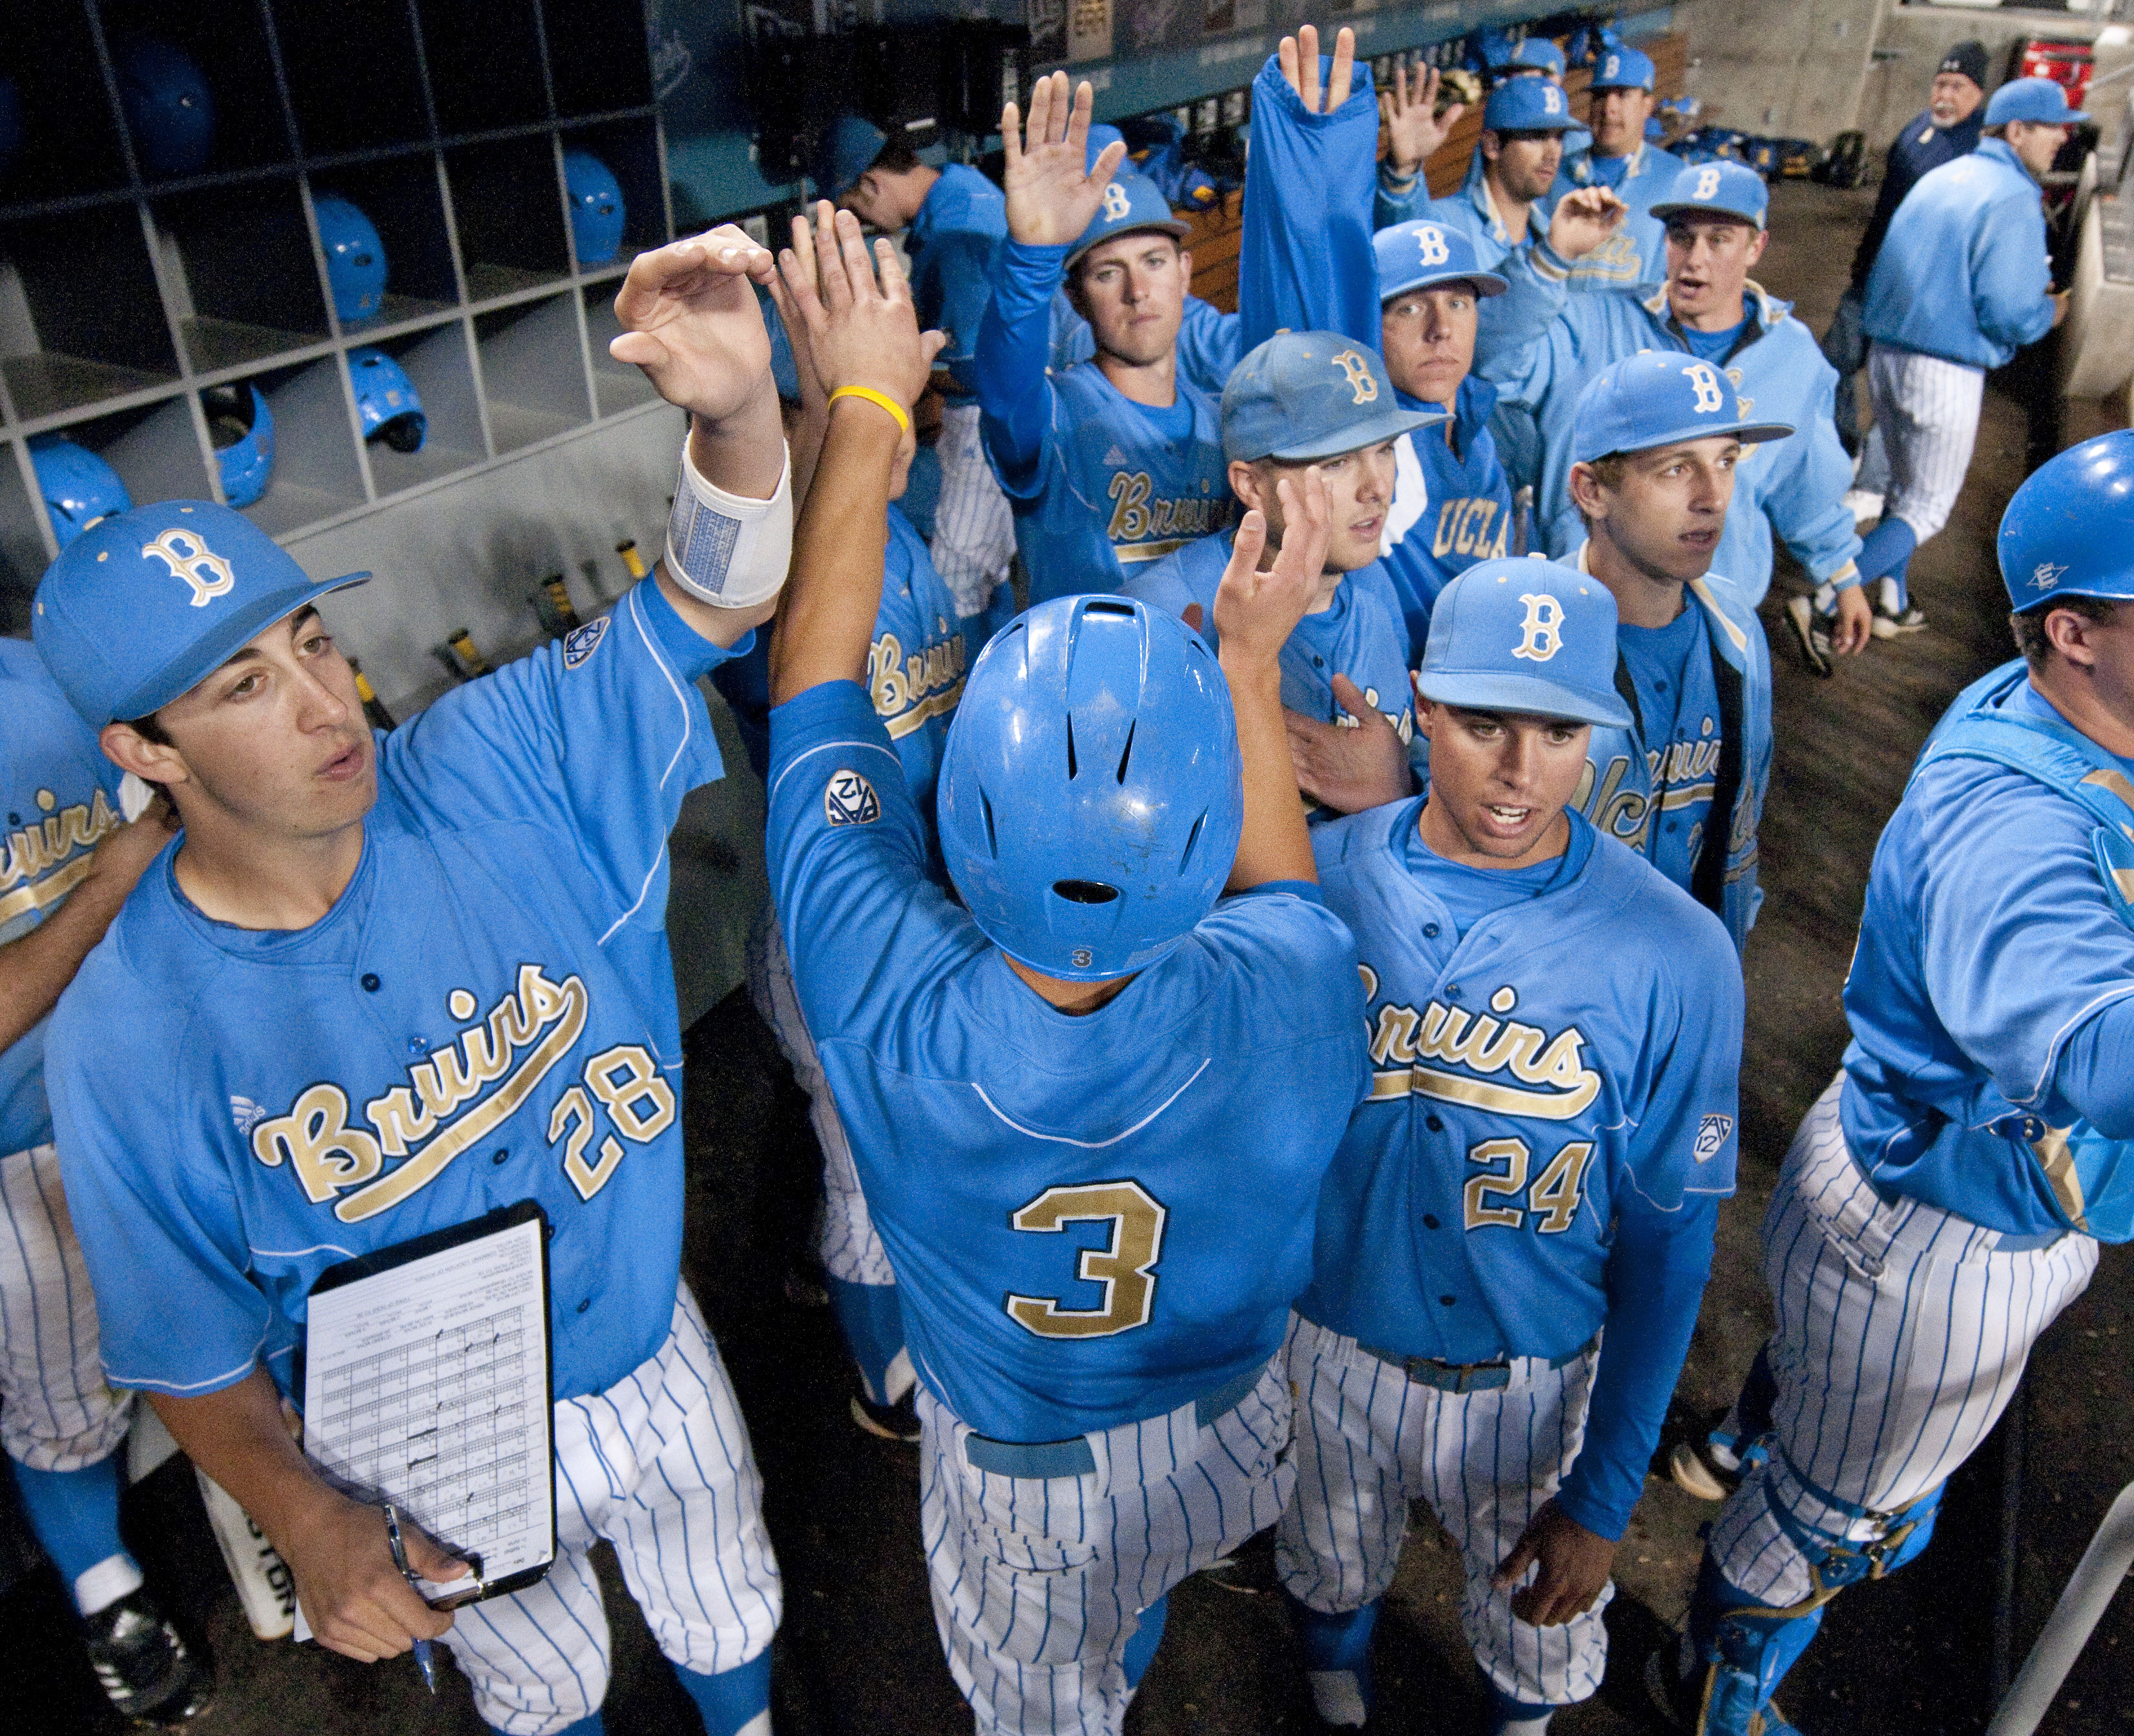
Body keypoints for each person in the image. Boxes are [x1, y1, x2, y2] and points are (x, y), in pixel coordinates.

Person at [37, 224, 798, 1736]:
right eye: (244, 685)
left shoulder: (485, 759)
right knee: (542, 1685)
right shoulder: (127, 1034)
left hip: (648, 1335)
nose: (330, 704)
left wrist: (734, 418)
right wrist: (308, 1519)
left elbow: (715, 600)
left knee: (728, 1590)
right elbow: (188, 1352)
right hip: (423, 1433)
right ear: (144, 753)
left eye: (314, 640)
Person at [763, 198, 1365, 1736]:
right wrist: (1244, 657)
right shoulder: (1290, 986)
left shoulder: (875, 977)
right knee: (1152, 1578)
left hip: (1025, 1472)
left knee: (1047, 1696)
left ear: (959, 821)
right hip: (1234, 1432)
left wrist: (865, 405)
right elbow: (1280, 871)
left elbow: (818, 686)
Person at [1651, 431, 2134, 1736]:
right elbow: (2102, 1059)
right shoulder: (2018, 830)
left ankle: (1746, 1443)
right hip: (1944, 1242)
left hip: (1895, 1178)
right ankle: (1711, 1682)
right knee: (1845, 1521)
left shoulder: (2059, 704)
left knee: (1816, 1401)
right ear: (2073, 633)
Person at [1278, 556, 1743, 1736]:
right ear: (1419, 702)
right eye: (1482, 719)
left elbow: (1670, 1246)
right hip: (1326, 1348)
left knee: (1537, 1628)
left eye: (1558, 727)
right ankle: (1334, 1696)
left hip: (1532, 1389)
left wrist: (1600, 1495)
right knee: (1324, 1569)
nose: (1519, 767)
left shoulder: (1676, 952)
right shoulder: (1309, 884)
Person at [717, 251, 977, 1443]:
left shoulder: (906, 548)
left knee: (900, 1164)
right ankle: (887, 1390)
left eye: (901, 408)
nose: (895, 430)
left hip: (916, 915)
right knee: (865, 1172)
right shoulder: (764, 582)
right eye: (850, 405)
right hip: (831, 937)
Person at [0, 648, 208, 1727]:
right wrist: (112, 880)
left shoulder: (43, 672)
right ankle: (104, 1587)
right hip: (18, 1146)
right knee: (67, 1399)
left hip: (156, 1067)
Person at [1479, 158, 1872, 652]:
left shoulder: (1792, 356)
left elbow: (1805, 482)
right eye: (1681, 236)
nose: (1695, 258)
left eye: (1719, 239)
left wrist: (1843, 574)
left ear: (1756, 247)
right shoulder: (1596, 323)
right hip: (1582, 611)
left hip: (1710, 621)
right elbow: (1491, 358)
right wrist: (1552, 258)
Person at [1121, 329, 1431, 789]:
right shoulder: (1155, 620)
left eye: (1384, 450)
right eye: (1336, 463)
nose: (1377, 489)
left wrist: (1399, 784)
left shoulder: (1377, 586)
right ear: (1250, 485)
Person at [975, 74, 1231, 603]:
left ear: (1185, 273)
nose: (1138, 291)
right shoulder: (1057, 420)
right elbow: (1004, 392)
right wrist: (1032, 256)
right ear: (1074, 297)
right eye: (1108, 273)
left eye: (1154, 263)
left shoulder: (1221, 422)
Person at [1845, 75, 2080, 643]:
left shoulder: (1944, 176)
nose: (2061, 142)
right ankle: (1828, 596)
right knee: (1925, 511)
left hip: (1889, 357)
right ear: (2018, 130)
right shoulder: (2013, 196)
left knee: (1902, 494)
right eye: (2053, 130)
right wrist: (2048, 313)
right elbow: (2007, 311)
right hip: (1943, 370)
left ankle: (1892, 603)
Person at [815, 112, 1015, 625]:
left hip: (992, 418)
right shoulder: (965, 188)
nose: (866, 222)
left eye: (857, 207)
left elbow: (974, 370)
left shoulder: (954, 237)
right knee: (998, 565)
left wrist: (894, 374)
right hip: (1022, 407)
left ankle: (970, 700)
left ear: (871, 183)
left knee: (954, 587)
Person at [1819, 41, 1988, 455]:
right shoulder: (1917, 128)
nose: (1945, 96)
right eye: (1941, 84)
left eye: (1958, 87)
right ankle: (1843, 449)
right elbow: (1884, 208)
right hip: (1873, 279)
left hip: (1917, 299)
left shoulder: (1977, 153)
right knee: (1829, 366)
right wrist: (1864, 265)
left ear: (1979, 95)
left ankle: (1878, 476)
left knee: (1897, 394)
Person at [1544, 45, 1679, 293]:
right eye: (1601, 95)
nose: (1609, 108)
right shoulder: (1552, 175)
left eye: (1623, 94)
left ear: (1647, 105)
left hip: (1637, 326)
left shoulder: (1677, 179)